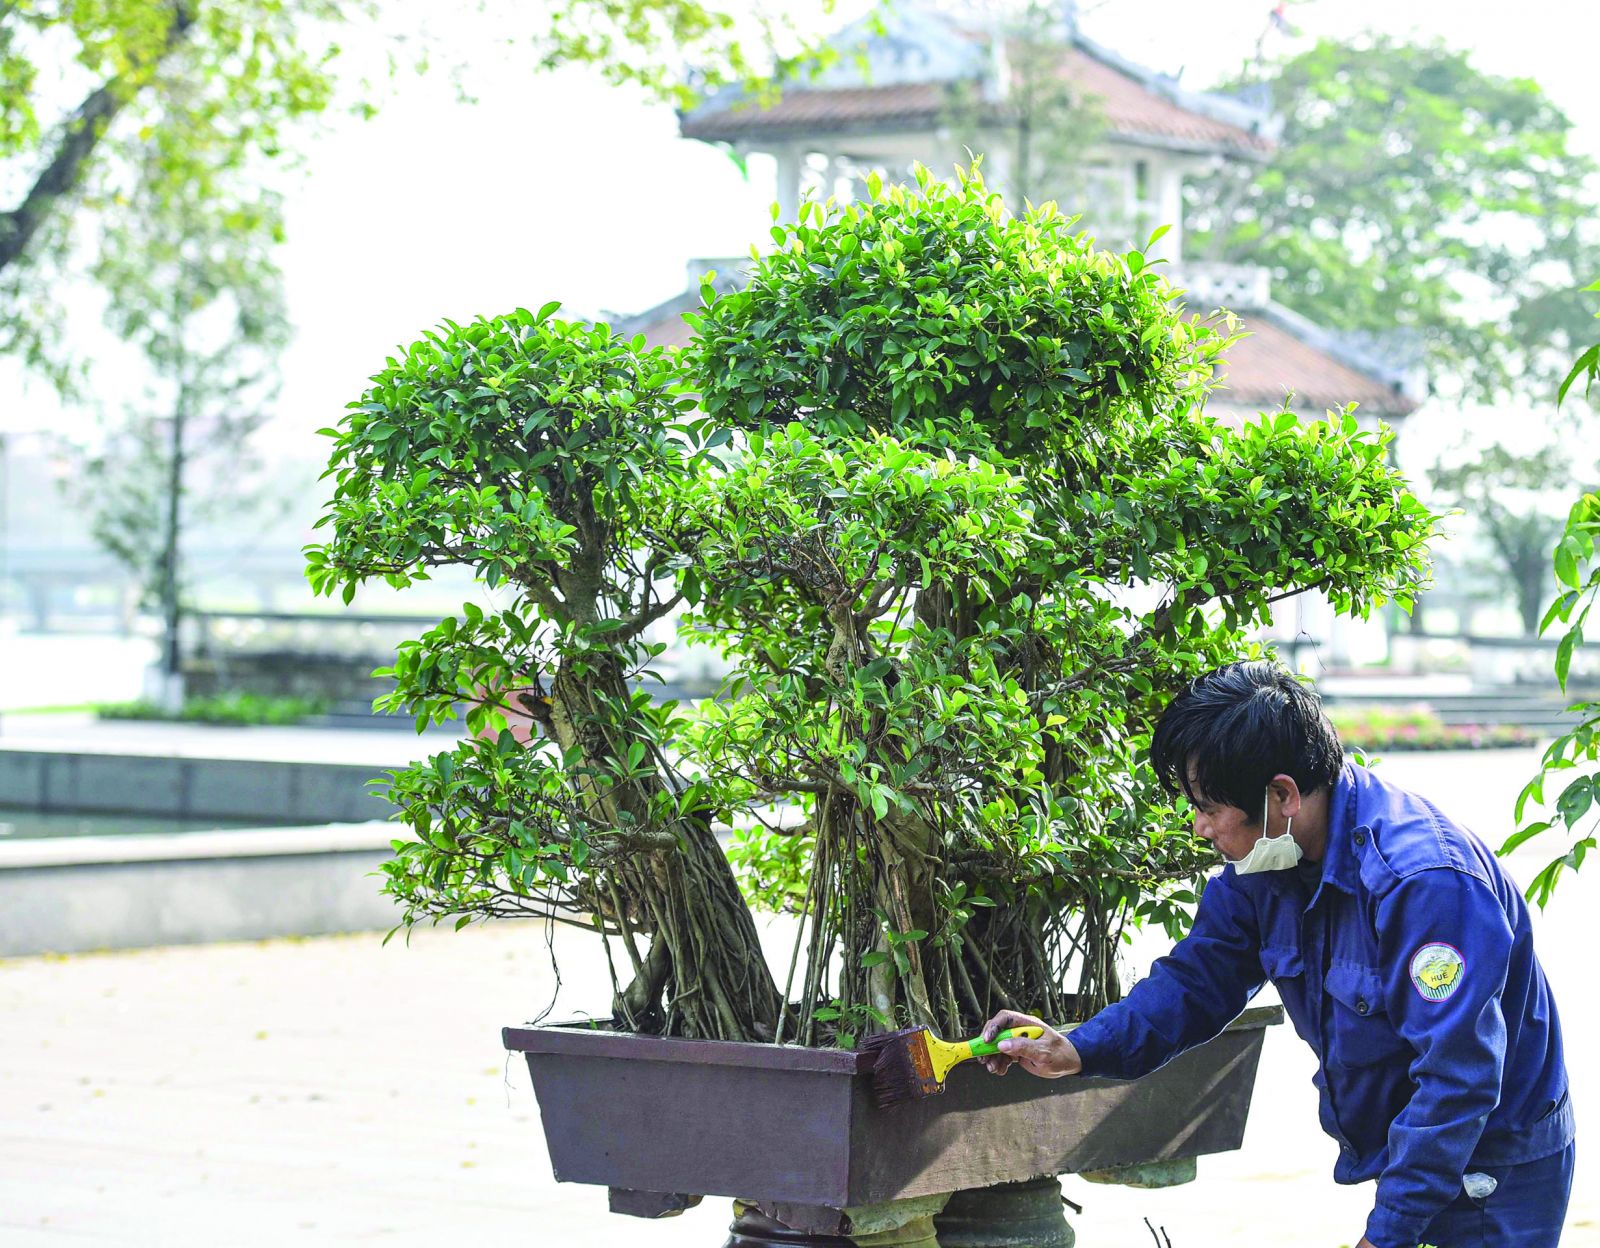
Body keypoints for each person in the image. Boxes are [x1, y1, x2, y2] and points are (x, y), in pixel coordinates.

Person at [980, 660, 1574, 1248]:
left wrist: (1384, 1235)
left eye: (1209, 809)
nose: (1198, 828)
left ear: (1282, 794)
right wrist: (1078, 1048)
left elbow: (1458, 1077)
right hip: (1419, 1146)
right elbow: (1194, 981)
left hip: (1495, 1165)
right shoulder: (1268, 860)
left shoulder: (1422, 882)